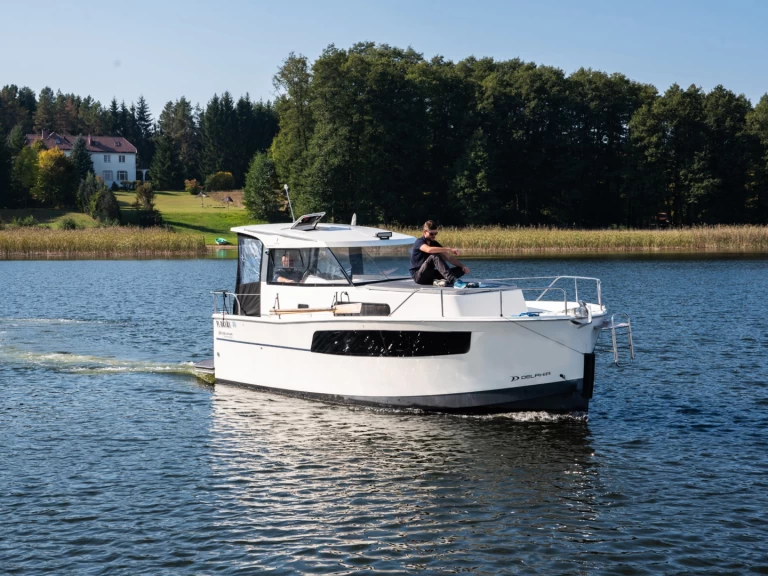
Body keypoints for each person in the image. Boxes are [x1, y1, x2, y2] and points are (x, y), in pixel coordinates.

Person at [409, 220, 470, 286]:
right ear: (425, 232)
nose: (434, 236)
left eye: (435, 233)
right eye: (431, 234)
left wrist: (462, 266)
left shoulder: (434, 243)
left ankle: (441, 281)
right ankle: (454, 281)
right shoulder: (419, 242)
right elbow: (429, 250)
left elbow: (449, 257)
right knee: (434, 256)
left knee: (461, 270)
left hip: (430, 275)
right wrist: (449, 249)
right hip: (418, 276)